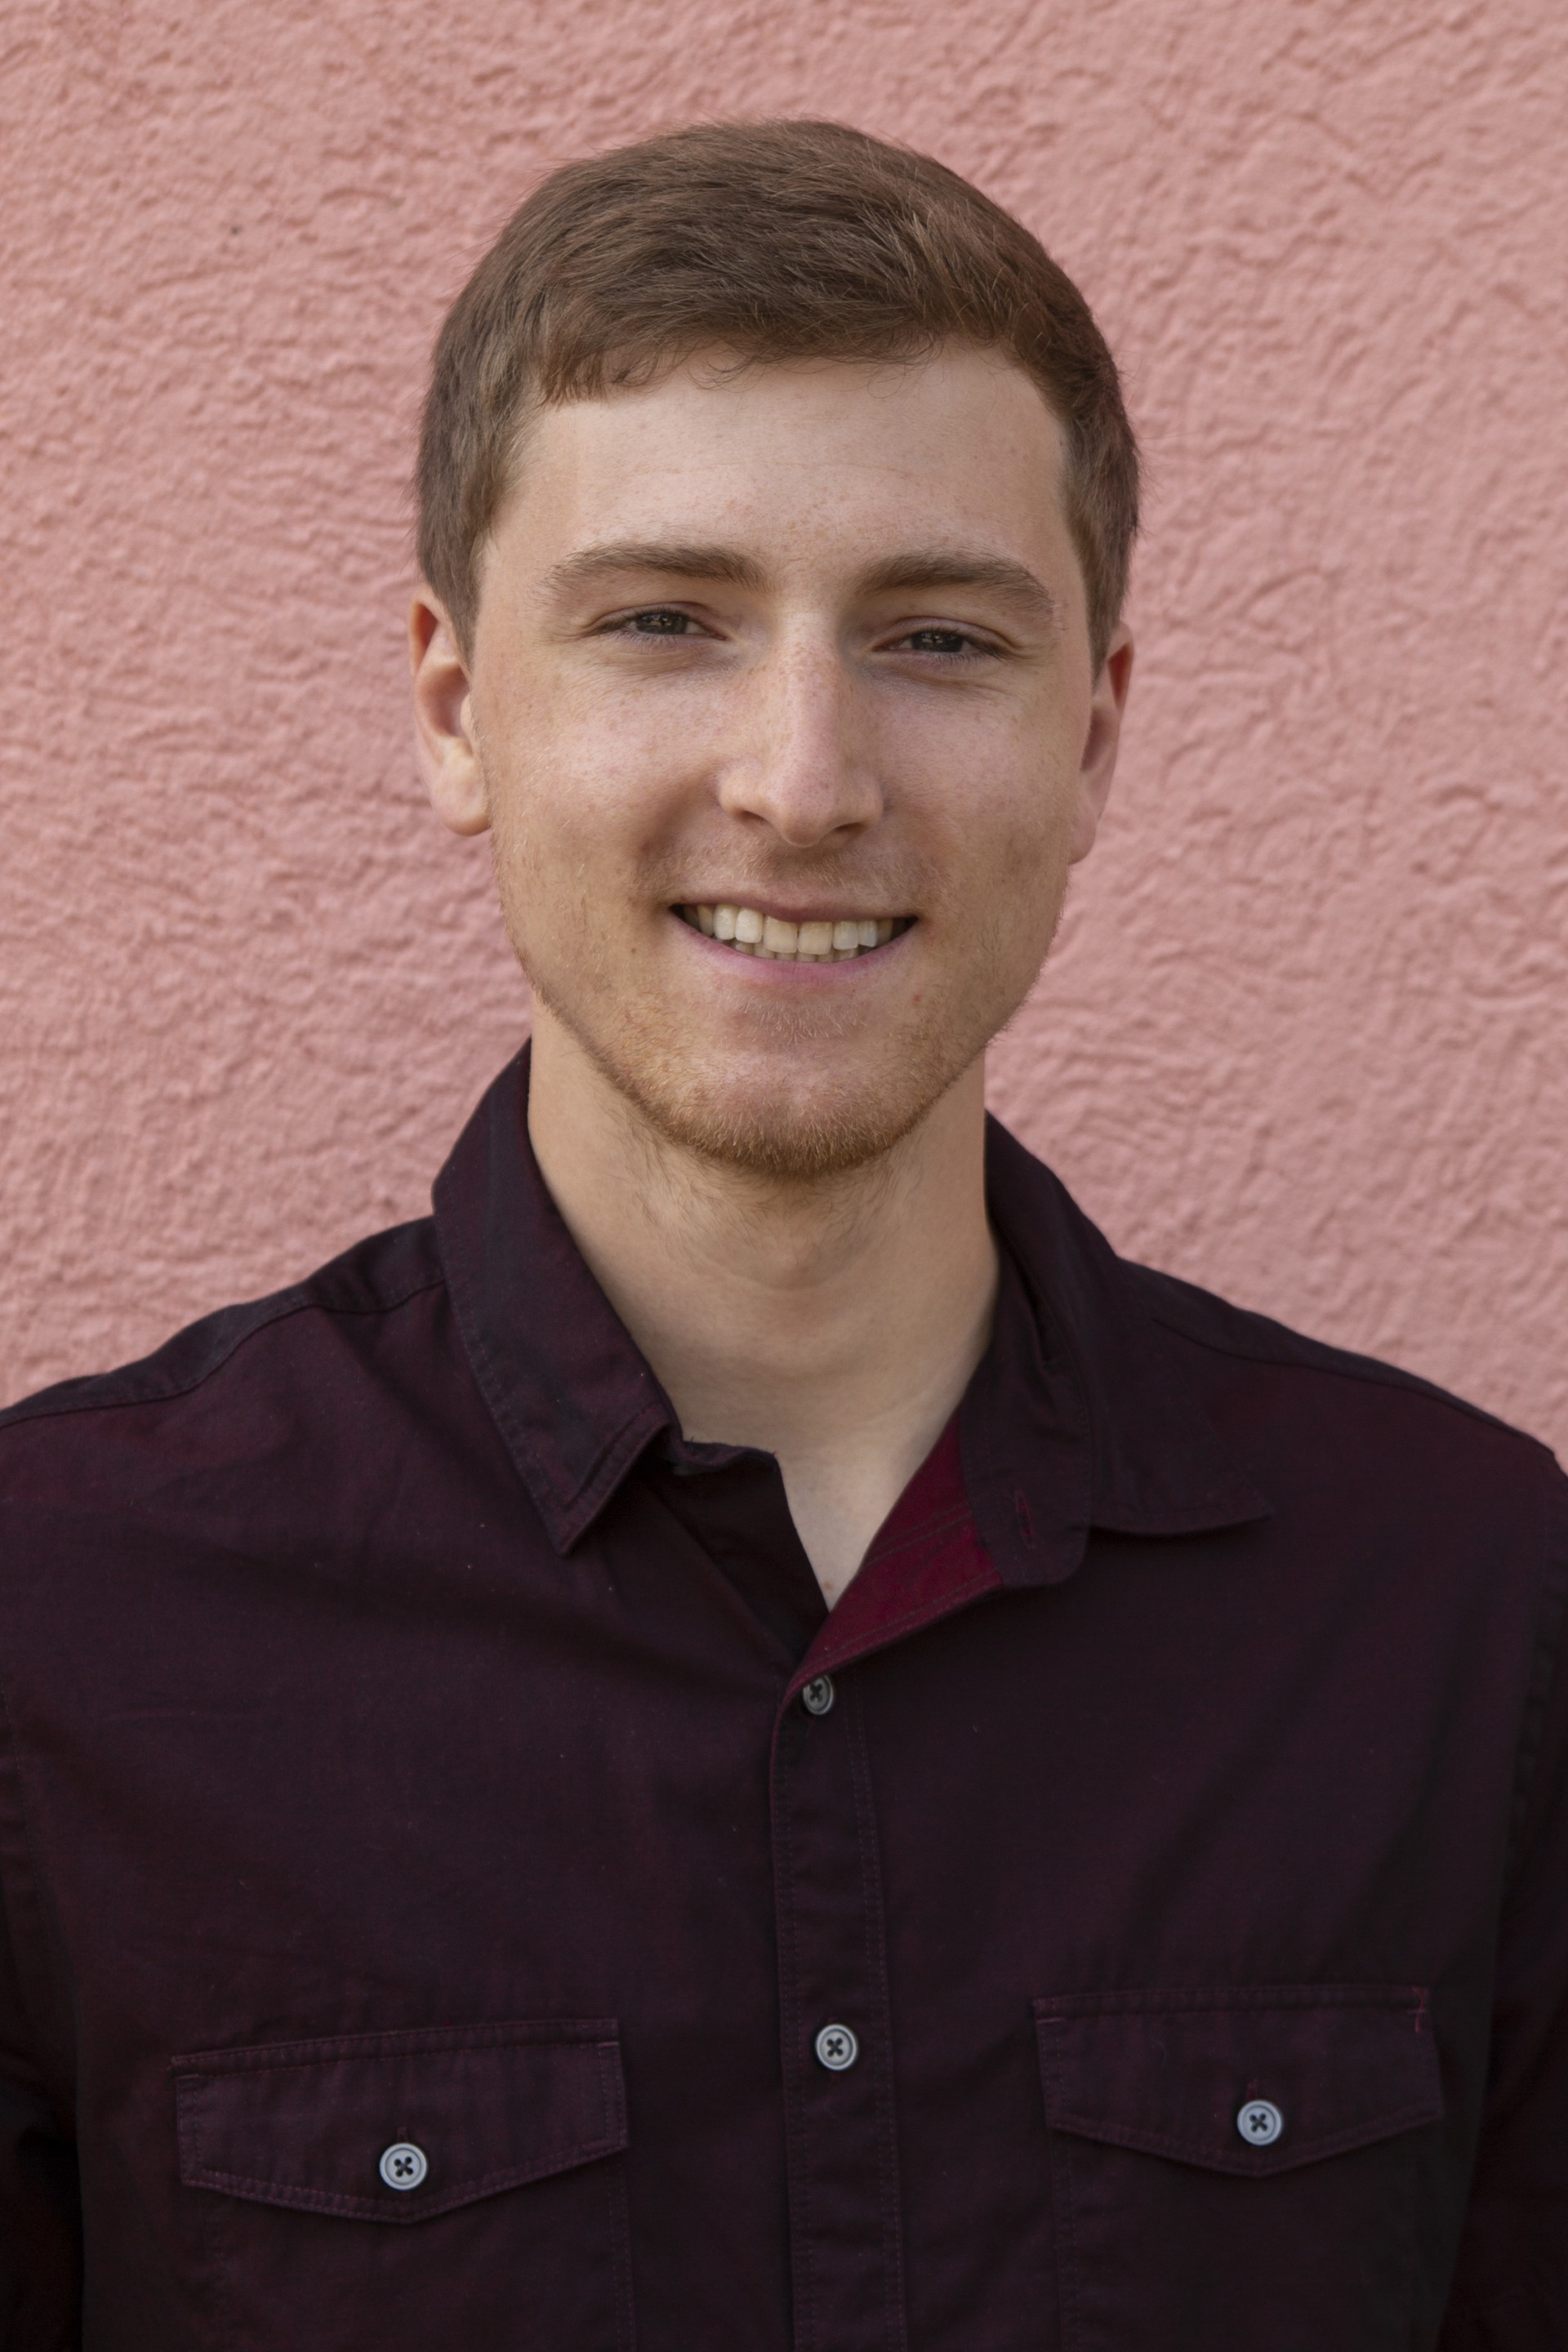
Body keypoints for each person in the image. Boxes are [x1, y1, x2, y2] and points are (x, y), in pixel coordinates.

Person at [0, 118, 1561, 2352]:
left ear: (1097, 734)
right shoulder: (60, 1630)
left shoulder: (1465, 1609)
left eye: (938, 635)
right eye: (666, 621)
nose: (805, 777)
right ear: (458, 708)